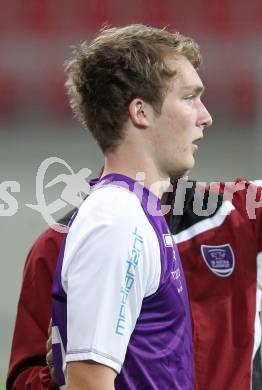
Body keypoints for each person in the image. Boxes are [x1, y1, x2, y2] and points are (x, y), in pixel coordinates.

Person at [51, 24, 212, 389]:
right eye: (189, 98)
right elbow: (89, 383)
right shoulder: (116, 221)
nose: (205, 116)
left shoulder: (136, 214)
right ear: (140, 111)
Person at [7, 180, 262, 389]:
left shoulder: (236, 213)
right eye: (190, 112)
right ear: (140, 115)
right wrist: (56, 380)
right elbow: (24, 379)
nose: (205, 118)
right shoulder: (60, 244)